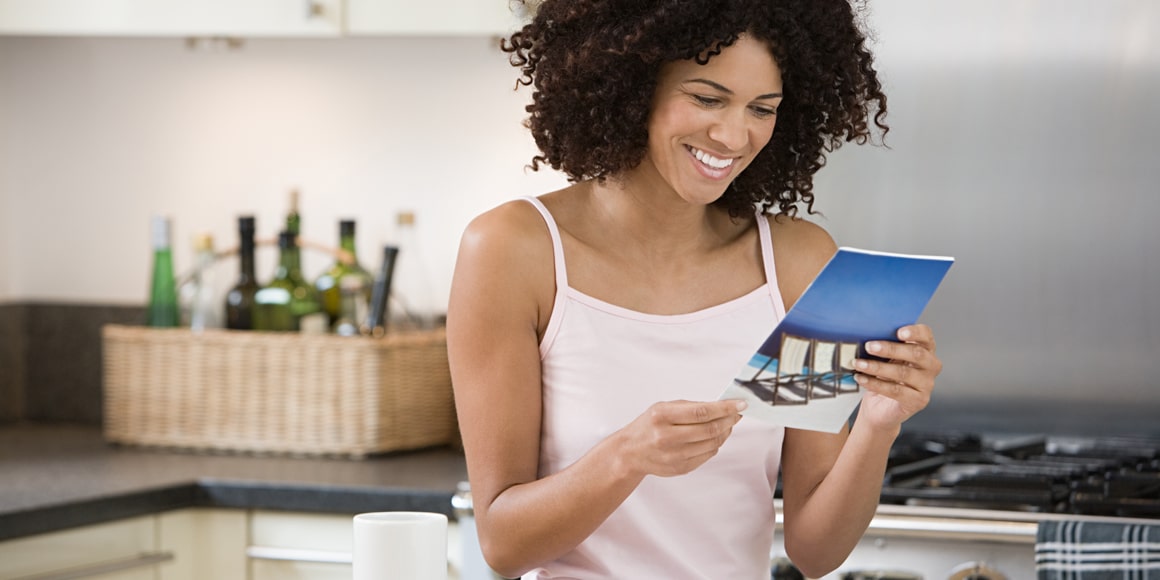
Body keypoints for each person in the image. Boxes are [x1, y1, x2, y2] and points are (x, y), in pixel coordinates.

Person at [446, 1, 943, 578]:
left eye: (763, 108)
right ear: (632, 82)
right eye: (707, 98)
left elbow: (814, 549)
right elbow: (502, 544)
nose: (734, 134)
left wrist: (877, 425)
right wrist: (626, 456)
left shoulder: (796, 263)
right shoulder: (515, 250)